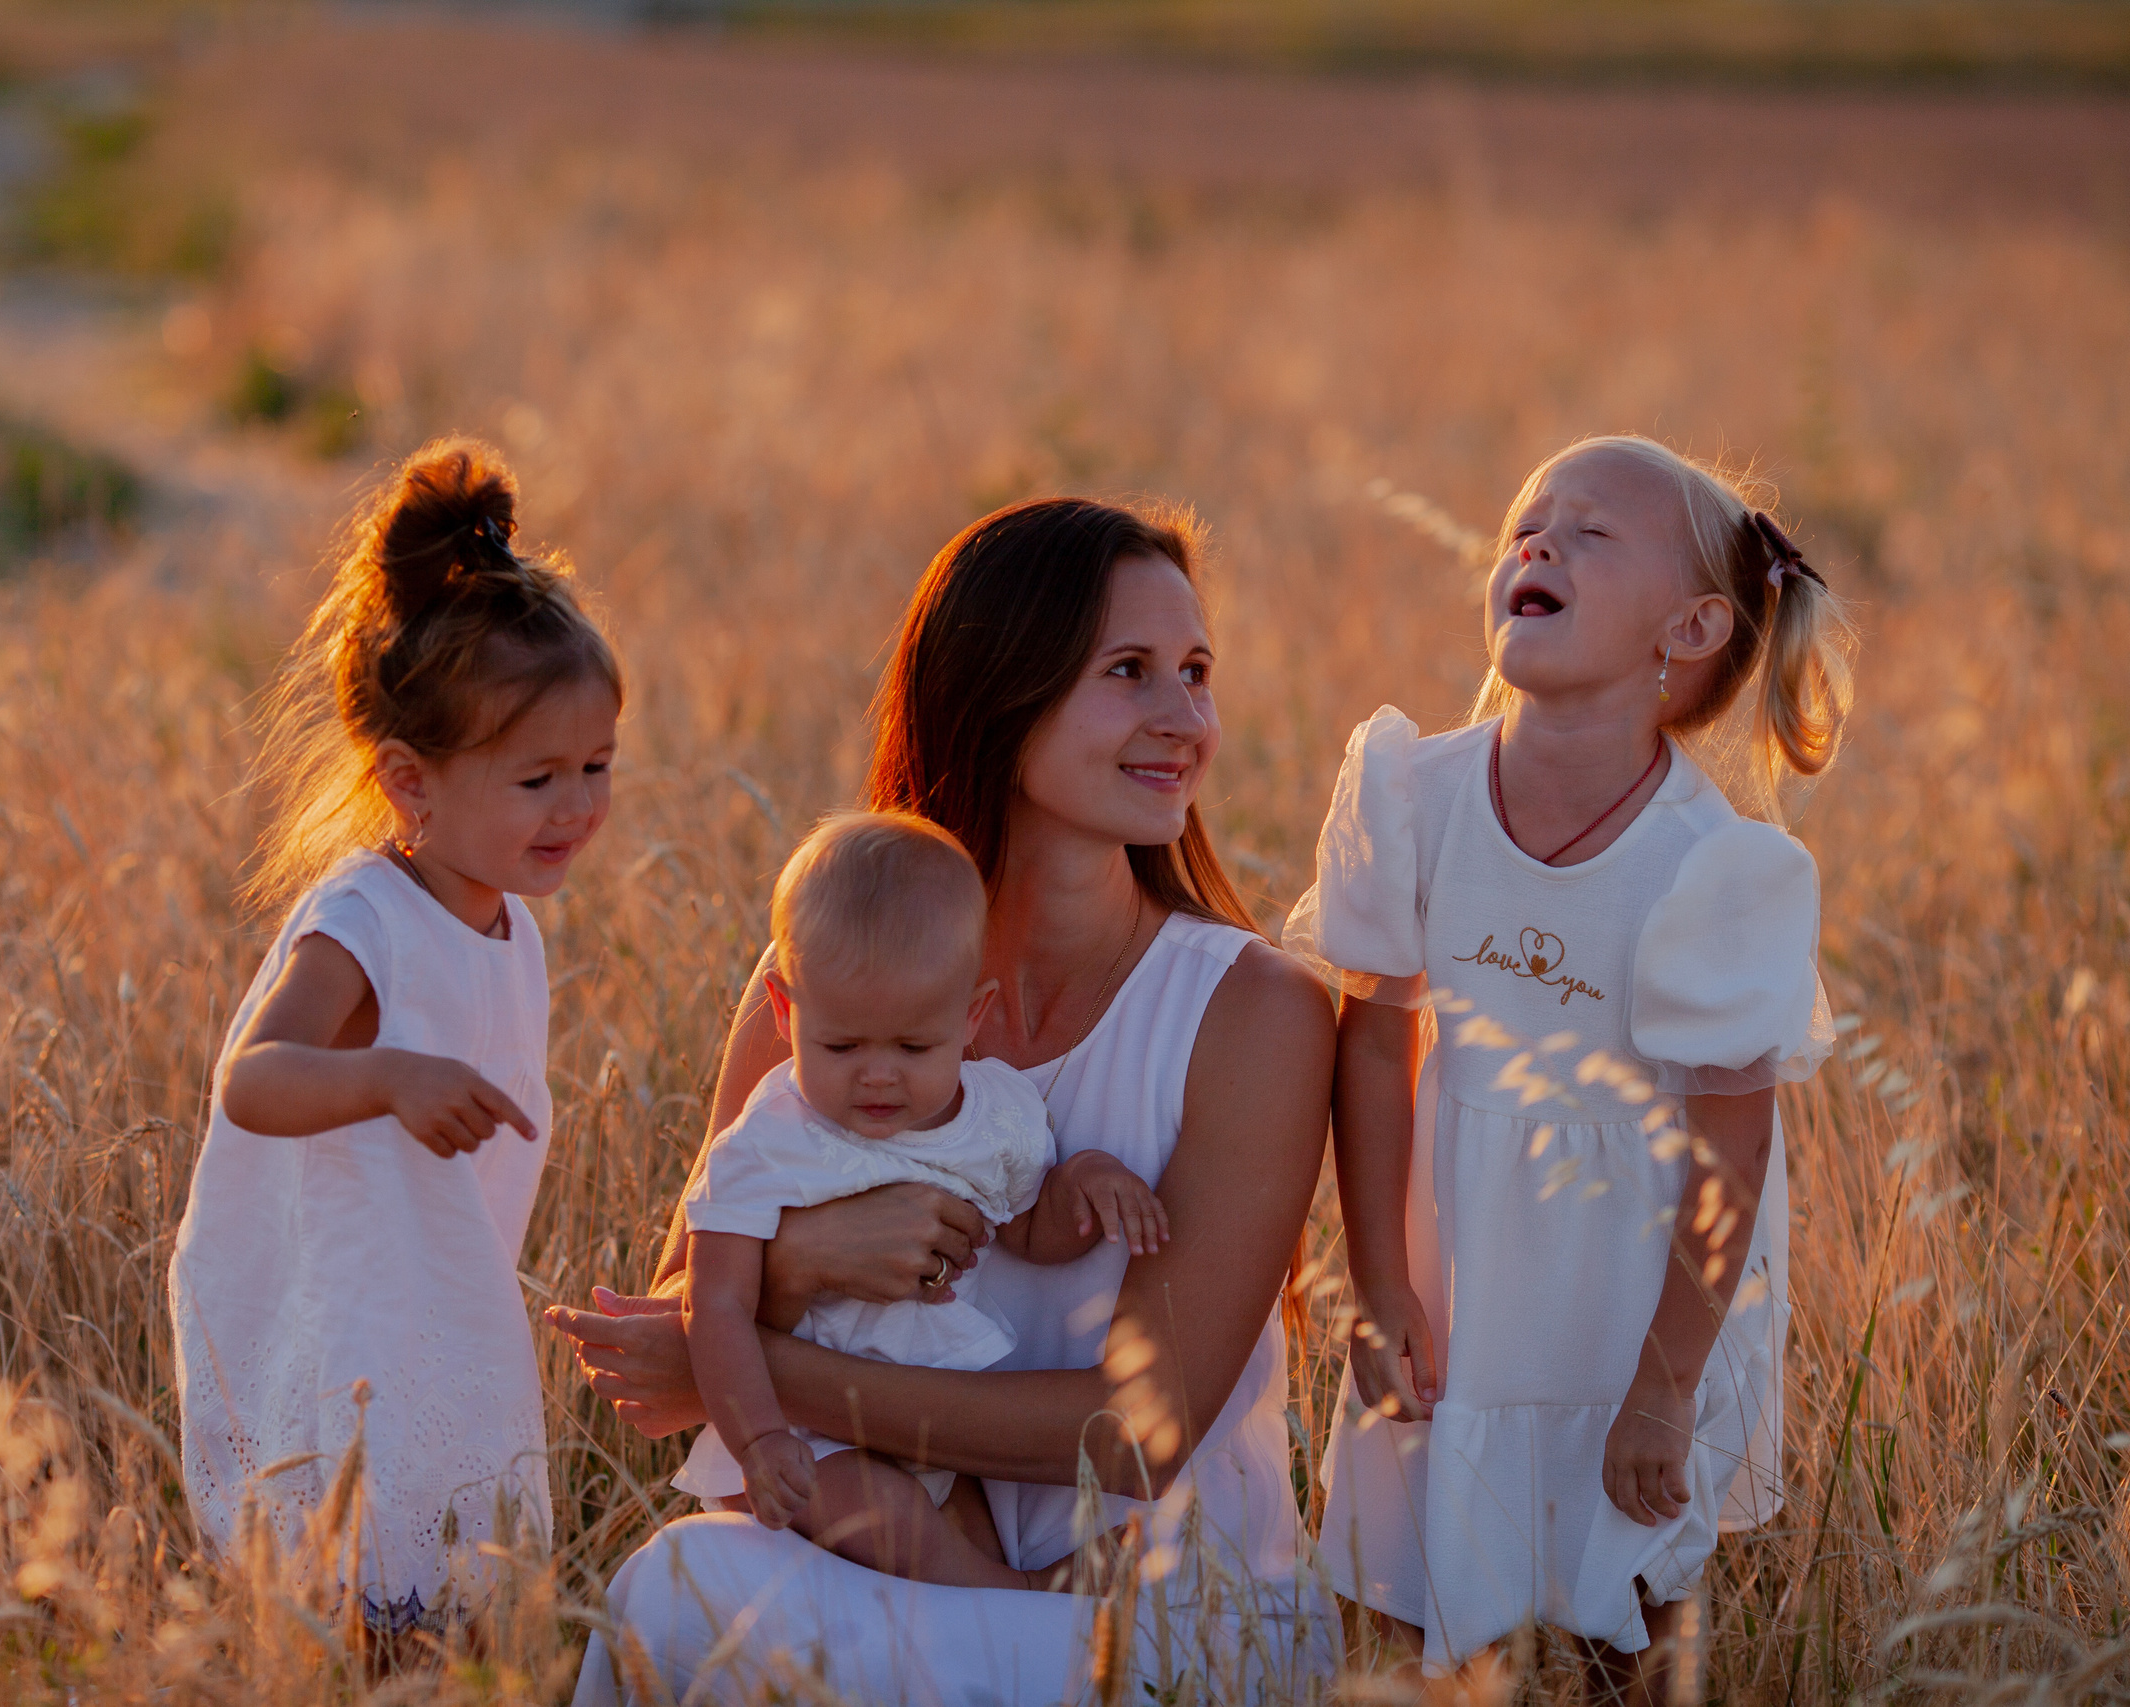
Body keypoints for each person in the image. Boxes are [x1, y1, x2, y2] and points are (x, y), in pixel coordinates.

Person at [550, 497, 1339, 1704]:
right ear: (996, 690)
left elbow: (1139, 1435)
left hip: (1157, 1614)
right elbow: (668, 1316)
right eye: (1128, 673)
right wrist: (808, 1259)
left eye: (1195, 673)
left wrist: (750, 1377)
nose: (1186, 721)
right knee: (678, 1586)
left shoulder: (1253, 1011)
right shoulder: (820, 981)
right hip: (876, 1561)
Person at [1289, 435, 1853, 1690]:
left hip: (1632, 1282)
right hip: (1459, 1255)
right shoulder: (1412, 793)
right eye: (1523, 527)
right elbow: (1374, 1050)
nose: (1533, 544)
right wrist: (1379, 1286)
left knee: (1625, 1603)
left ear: (1693, 627)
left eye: (1590, 533)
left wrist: (1663, 1384)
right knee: (1408, 1582)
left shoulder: (1711, 868)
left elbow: (1732, 1146)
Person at [168, 439, 621, 1630]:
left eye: (596, 768)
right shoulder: (365, 915)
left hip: (447, 1289)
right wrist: (389, 1075)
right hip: (352, 1305)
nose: (575, 807)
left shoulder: (508, 921)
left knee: (458, 1586)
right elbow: (252, 1083)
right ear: (410, 782)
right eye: (536, 781)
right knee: (366, 1582)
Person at [679, 810, 1170, 1590]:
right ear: (783, 1009)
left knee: (968, 1530)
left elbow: (1030, 1232)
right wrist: (760, 1437)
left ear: (970, 1017)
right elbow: (714, 1303)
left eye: (914, 1047)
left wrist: (1088, 1183)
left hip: (944, 1419)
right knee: (893, 1520)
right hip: (809, 1445)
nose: (879, 1075)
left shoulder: (992, 1117)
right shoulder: (765, 1142)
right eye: (841, 1046)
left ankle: (1009, 1607)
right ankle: (1032, 1599)